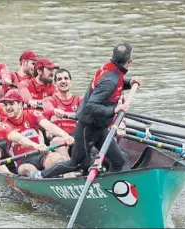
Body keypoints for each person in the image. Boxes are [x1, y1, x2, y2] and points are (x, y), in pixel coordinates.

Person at [34, 42, 142, 179]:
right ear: (130, 61)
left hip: (100, 127)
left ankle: (110, 187)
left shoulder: (110, 69)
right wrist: (116, 109)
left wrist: (130, 82)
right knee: (75, 164)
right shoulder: (111, 79)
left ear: (111, 57)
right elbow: (92, 105)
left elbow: (114, 82)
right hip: (88, 127)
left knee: (119, 161)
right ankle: (38, 175)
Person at [0, 89, 75, 177]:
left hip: (41, 155)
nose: (8, 108)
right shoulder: (4, 125)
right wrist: (35, 145)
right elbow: (19, 138)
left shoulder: (32, 114)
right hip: (22, 161)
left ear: (20, 104)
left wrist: (66, 136)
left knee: (60, 160)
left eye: (11, 104)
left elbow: (48, 125)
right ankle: (42, 182)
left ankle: (72, 182)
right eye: (5, 105)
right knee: (27, 169)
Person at [42, 68, 83, 135]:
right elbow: (48, 108)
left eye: (66, 78)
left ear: (71, 82)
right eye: (59, 79)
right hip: (58, 137)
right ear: (55, 84)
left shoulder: (79, 100)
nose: (63, 81)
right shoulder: (49, 100)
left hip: (77, 137)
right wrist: (54, 110)